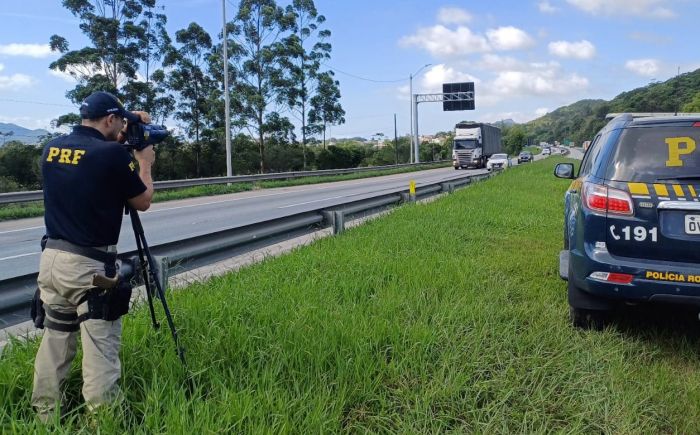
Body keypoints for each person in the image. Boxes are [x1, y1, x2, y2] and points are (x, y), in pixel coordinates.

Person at [31, 91, 155, 422]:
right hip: (89, 269)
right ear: (110, 119)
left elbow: (89, 177)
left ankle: (44, 417)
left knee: (55, 342)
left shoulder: (52, 148)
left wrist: (131, 126)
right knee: (100, 350)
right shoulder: (112, 154)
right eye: (120, 121)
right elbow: (141, 201)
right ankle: (106, 422)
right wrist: (143, 162)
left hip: (52, 260)